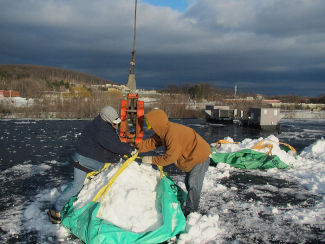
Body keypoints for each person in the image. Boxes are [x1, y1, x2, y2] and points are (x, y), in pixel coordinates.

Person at [48, 106, 137, 224]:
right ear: (107, 118)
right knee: (102, 168)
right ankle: (55, 210)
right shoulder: (102, 129)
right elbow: (113, 144)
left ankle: (56, 208)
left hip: (81, 157)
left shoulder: (98, 123)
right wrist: (130, 150)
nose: (115, 124)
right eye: (114, 121)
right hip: (85, 160)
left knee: (76, 185)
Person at [137, 109, 211, 217]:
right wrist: (136, 148)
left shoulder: (172, 135)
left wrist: (152, 159)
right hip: (191, 157)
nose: (151, 129)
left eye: (151, 126)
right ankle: (191, 205)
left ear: (158, 124)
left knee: (193, 184)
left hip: (200, 157)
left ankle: (191, 212)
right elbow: (151, 143)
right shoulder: (164, 131)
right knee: (189, 182)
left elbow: (170, 157)